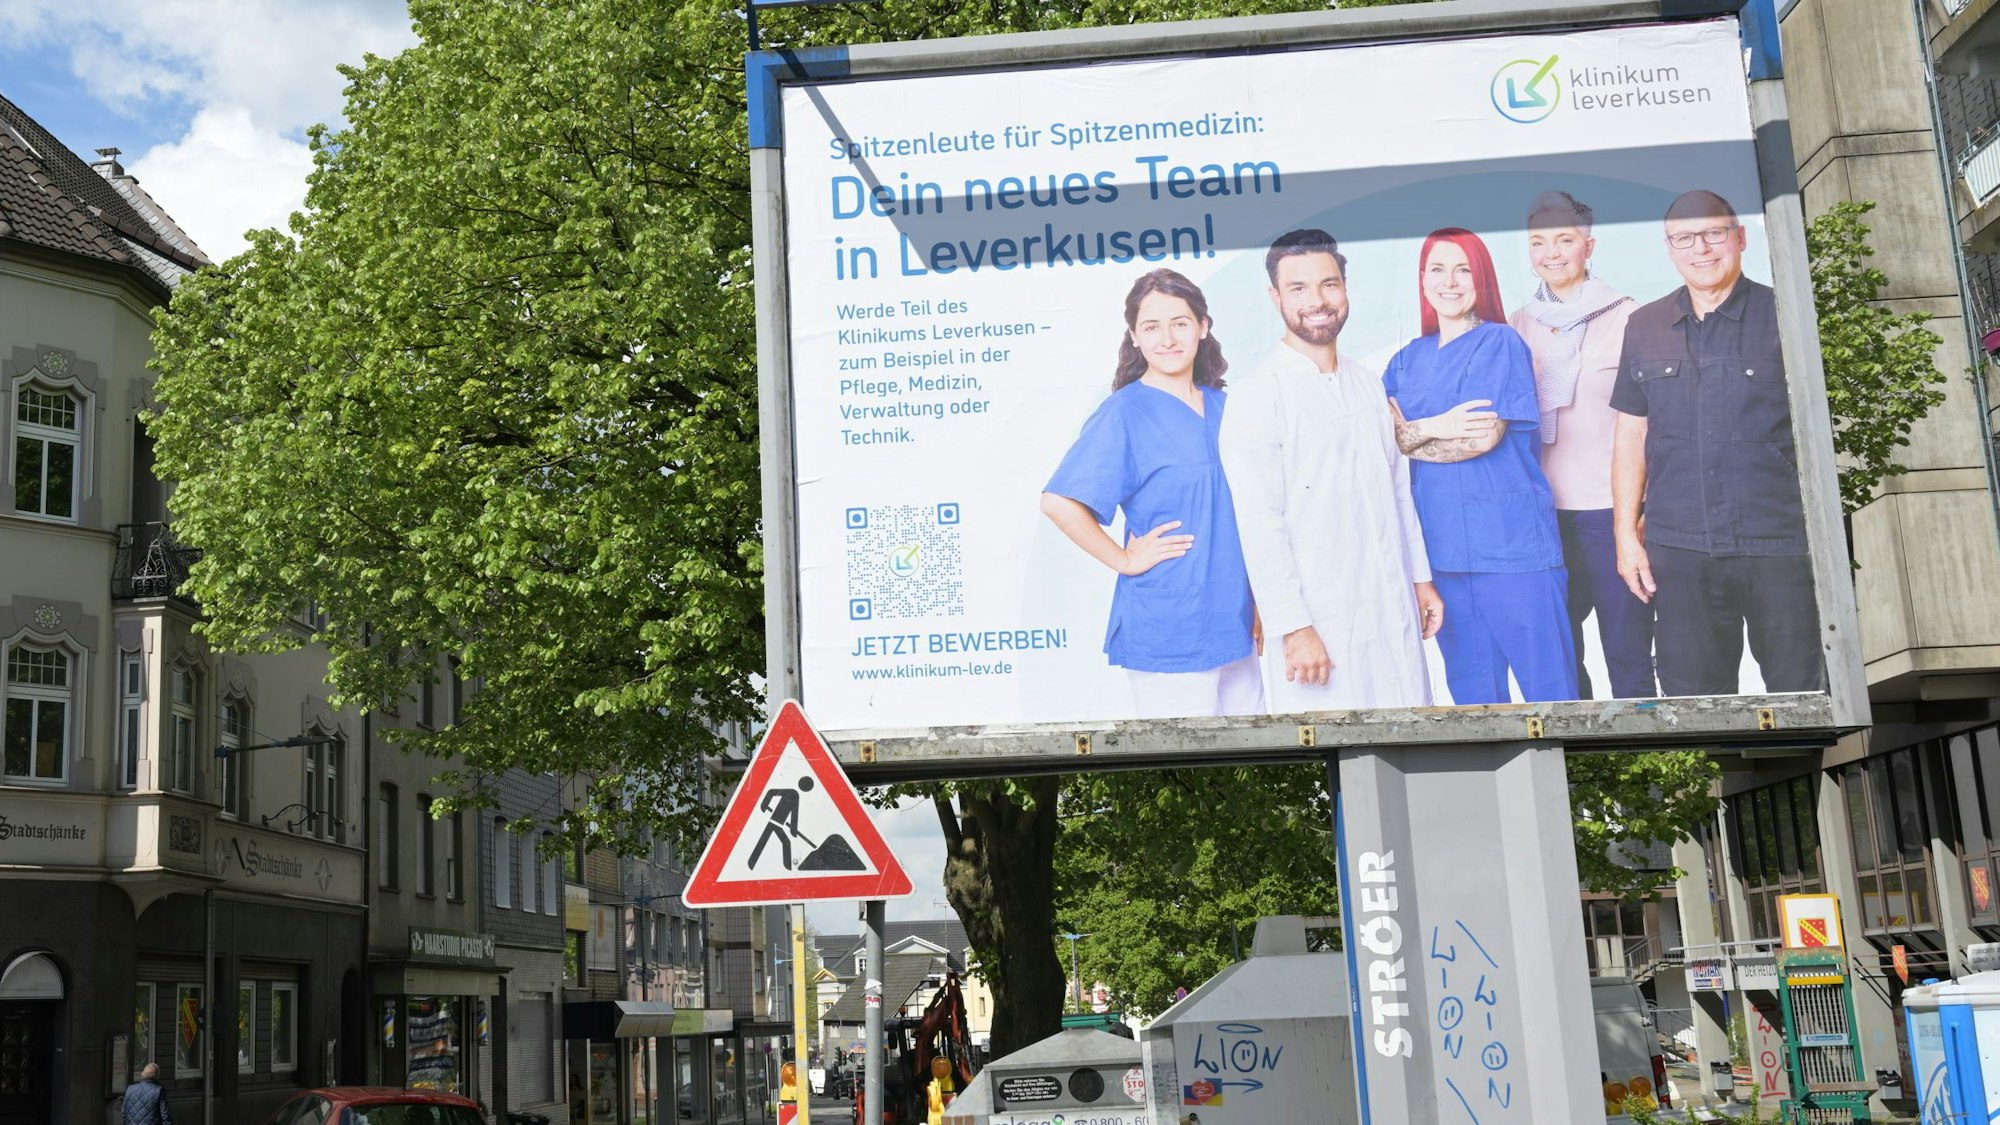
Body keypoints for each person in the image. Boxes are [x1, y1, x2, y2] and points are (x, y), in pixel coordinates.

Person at [1610, 190, 1824, 695]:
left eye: (1714, 234)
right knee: (1693, 706)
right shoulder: (1644, 326)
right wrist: (1625, 535)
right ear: (1669, 248)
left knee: (1807, 697)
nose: (1701, 249)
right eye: (1684, 238)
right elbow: (1630, 432)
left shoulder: (1785, 314)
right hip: (1679, 549)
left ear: (1739, 238)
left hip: (1780, 543)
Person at [1218, 229, 1440, 712]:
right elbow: (1259, 525)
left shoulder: (1366, 384)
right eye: (1298, 288)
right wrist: (1294, 628)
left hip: (1392, 606)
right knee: (1343, 758)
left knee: (1414, 739)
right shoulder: (1259, 394)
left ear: (1345, 289)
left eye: (1329, 284)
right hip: (1320, 626)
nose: (1318, 301)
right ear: (1275, 297)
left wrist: (1420, 579)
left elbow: (1399, 492)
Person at [1042, 268, 1264, 718]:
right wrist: (1124, 559)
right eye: (1151, 326)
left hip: (1237, 622)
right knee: (1193, 771)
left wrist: (1262, 599)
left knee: (1255, 762)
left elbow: (1254, 513)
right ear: (1134, 336)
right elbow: (1058, 501)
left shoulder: (1230, 408)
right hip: (1170, 625)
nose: (1167, 338)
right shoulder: (1125, 413)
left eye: (1180, 323)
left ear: (1203, 327)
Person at [1386, 228, 1576, 704]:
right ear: (1422, 279)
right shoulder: (1406, 359)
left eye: (1463, 269)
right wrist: (1438, 425)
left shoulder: (1500, 343)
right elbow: (1384, 444)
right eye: (1437, 269)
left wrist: (1413, 432)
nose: (1449, 281)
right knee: (1474, 704)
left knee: (1550, 697)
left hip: (1513, 553)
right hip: (1443, 556)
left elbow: (1481, 439)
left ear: (1482, 278)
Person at [1506, 191, 1656, 699]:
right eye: (1538, 242)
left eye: (1565, 240)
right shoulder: (1514, 326)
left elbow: (1654, 422)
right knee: (1560, 664)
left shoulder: (1631, 317)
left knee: (1629, 655)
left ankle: (1655, 776)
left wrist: (1641, 513)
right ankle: (1582, 772)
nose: (1552, 252)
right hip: (1544, 519)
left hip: (1612, 514)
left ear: (1588, 246)